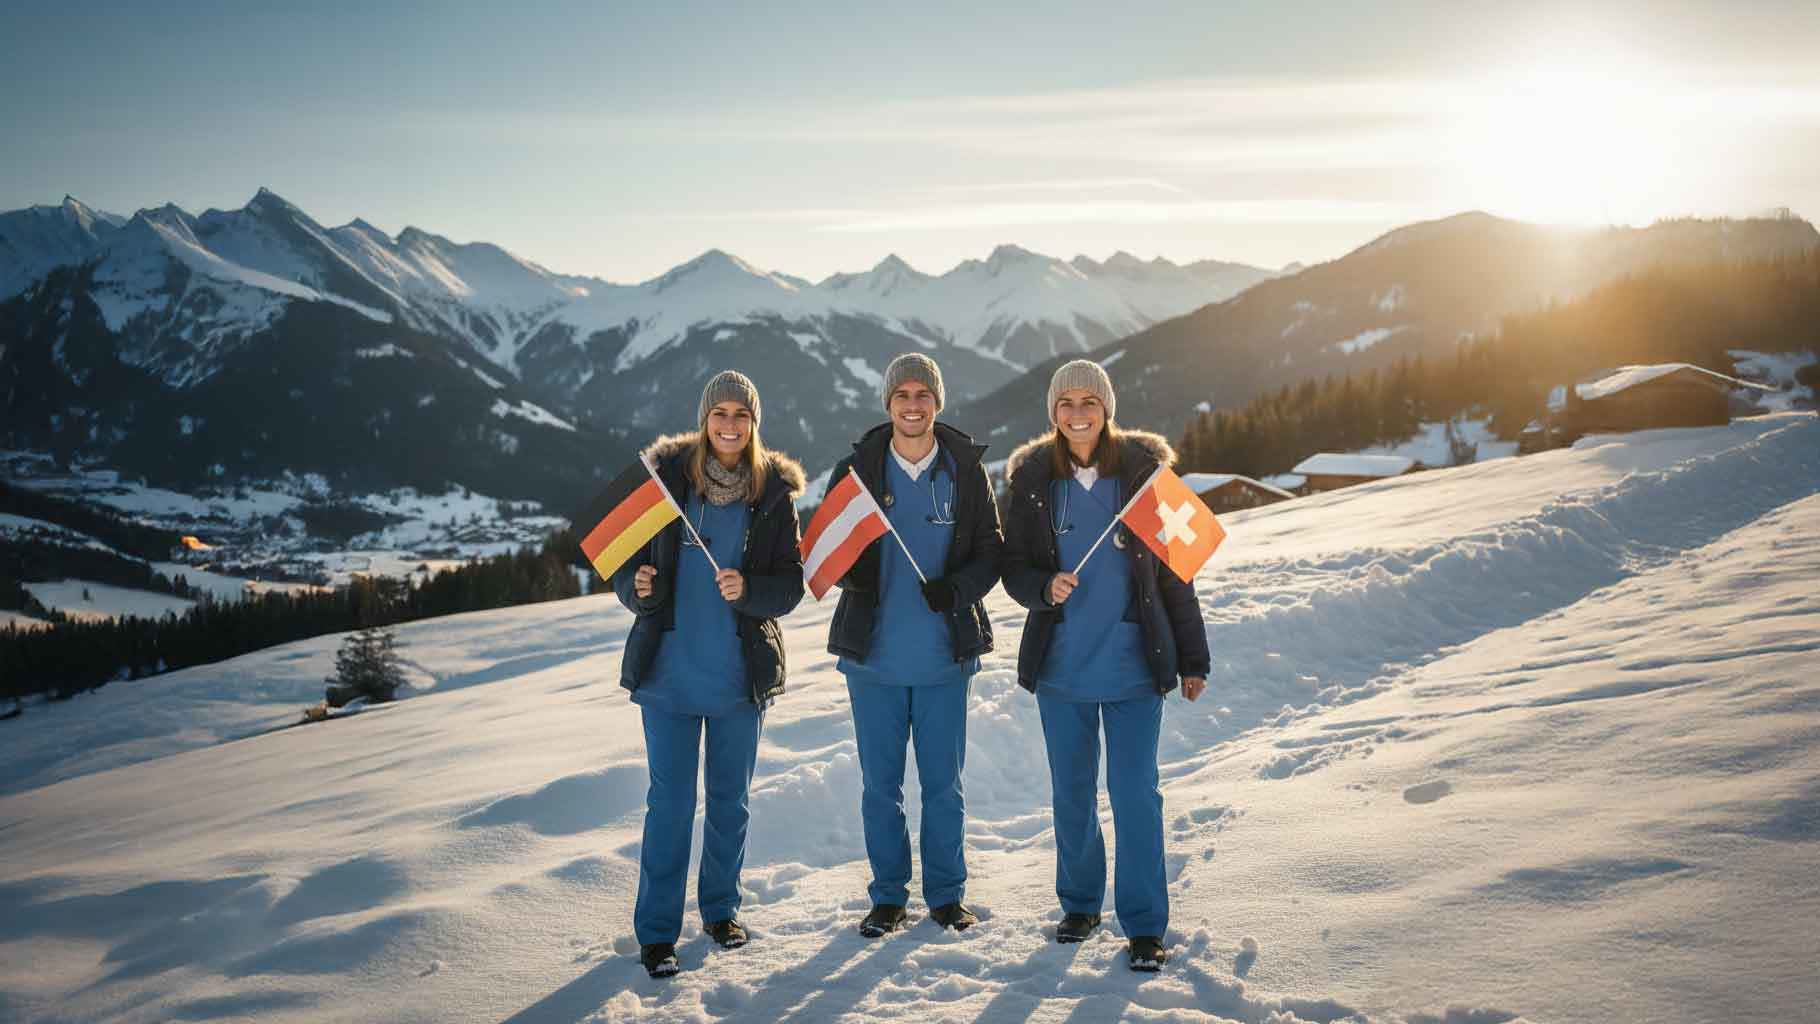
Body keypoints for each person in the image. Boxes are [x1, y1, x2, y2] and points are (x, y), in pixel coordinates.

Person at [999, 359, 1210, 972]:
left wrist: (1192, 658)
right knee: (1071, 793)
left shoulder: (1143, 478)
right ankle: (1081, 905)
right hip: (1062, 667)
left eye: (1089, 400)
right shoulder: (1034, 481)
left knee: (1135, 794)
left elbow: (1177, 576)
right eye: (1065, 402)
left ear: (1107, 407)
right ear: (1053, 413)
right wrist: (1043, 588)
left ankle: (1144, 926)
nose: (1077, 412)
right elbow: (1014, 569)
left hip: (1133, 668)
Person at [611, 370, 806, 978]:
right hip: (667, 677)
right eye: (719, 413)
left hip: (736, 678)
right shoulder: (666, 486)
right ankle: (657, 932)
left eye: (740, 415)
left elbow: (790, 587)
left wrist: (751, 589)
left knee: (730, 802)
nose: (729, 425)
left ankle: (721, 910)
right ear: (704, 419)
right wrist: (636, 587)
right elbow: (628, 571)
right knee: (668, 805)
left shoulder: (772, 496)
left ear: (754, 423)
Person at [826, 353, 1003, 937]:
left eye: (922, 393)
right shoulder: (856, 473)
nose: (912, 404)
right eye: (901, 394)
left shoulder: (964, 470)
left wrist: (957, 591)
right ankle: (888, 897)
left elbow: (990, 552)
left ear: (937, 402)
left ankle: (947, 896)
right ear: (888, 404)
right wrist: (856, 572)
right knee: (880, 787)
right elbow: (831, 550)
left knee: (943, 786)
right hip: (872, 659)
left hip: (942, 658)